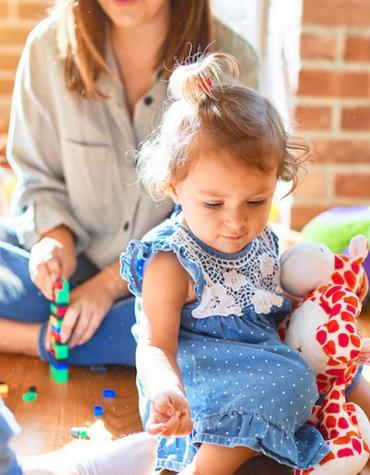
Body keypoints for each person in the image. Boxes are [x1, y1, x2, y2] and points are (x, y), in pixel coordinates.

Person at [0, 0, 258, 366]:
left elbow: (220, 216)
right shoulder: (47, 48)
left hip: (170, 282)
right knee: (21, 279)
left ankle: (40, 338)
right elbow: (38, 177)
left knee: (200, 322)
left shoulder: (233, 61)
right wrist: (55, 242)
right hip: (79, 264)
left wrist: (109, 286)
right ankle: (80, 332)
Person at [120, 52, 332, 475]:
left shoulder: (262, 240)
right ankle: (203, 468)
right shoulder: (171, 259)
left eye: (257, 201)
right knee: (291, 381)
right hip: (196, 389)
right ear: (173, 186)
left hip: (260, 366)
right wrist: (166, 389)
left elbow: (275, 304)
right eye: (213, 203)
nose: (236, 221)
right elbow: (155, 345)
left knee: (325, 374)